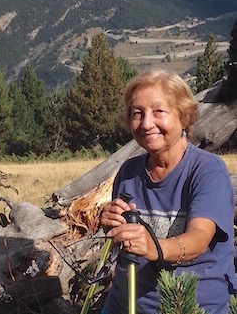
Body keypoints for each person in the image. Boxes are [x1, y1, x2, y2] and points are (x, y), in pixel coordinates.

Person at [100, 69, 237, 314]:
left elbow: (199, 238)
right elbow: (124, 245)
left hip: (193, 306)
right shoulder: (129, 172)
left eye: (158, 111)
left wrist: (155, 247)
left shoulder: (207, 170)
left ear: (183, 117)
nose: (146, 123)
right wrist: (111, 223)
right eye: (137, 113)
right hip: (124, 304)